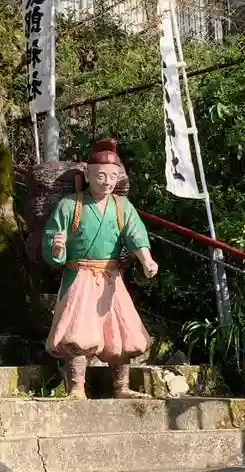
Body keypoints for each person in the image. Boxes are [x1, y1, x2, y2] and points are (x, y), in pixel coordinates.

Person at [42, 138, 158, 399]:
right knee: (78, 333)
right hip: (80, 275)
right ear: (88, 174)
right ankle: (76, 387)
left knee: (122, 332)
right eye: (101, 175)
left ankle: (121, 387)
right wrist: (58, 248)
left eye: (113, 176)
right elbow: (52, 237)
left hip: (110, 277)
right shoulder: (70, 205)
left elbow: (135, 234)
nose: (107, 181)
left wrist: (146, 259)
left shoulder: (122, 206)